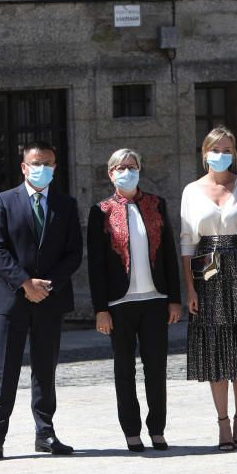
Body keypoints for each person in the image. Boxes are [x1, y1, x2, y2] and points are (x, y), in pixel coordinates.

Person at [0, 141, 83, 463]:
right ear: (24, 167)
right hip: (10, 300)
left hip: (49, 298)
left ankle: (45, 433)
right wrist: (24, 283)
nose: (42, 168)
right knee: (4, 371)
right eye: (36, 163)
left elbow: (73, 253)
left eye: (48, 163)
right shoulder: (4, 201)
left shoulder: (65, 204)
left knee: (45, 370)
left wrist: (46, 286)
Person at [181, 127, 237, 451]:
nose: (221, 153)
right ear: (205, 152)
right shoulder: (191, 191)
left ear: (234, 152)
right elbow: (187, 243)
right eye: (215, 148)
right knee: (215, 348)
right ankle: (222, 422)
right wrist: (190, 289)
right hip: (208, 268)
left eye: (227, 148)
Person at [87, 149, 182, 452]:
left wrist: (174, 299)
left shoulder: (156, 204)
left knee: (156, 367)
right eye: (120, 167)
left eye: (132, 166)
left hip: (155, 299)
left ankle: (157, 428)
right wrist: (101, 309)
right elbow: (96, 266)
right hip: (119, 303)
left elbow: (168, 253)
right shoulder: (101, 210)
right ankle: (131, 430)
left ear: (140, 169)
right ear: (110, 173)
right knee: (124, 368)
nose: (126, 172)